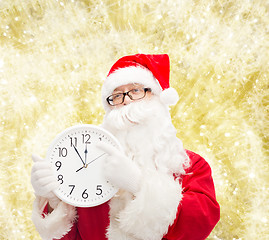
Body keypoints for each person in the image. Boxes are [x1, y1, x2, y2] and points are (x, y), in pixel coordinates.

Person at [31, 54, 220, 240]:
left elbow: (199, 224)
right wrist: (53, 199)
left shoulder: (191, 166)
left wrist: (138, 184)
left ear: (157, 98)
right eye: (117, 95)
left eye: (136, 91)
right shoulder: (89, 169)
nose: (126, 100)